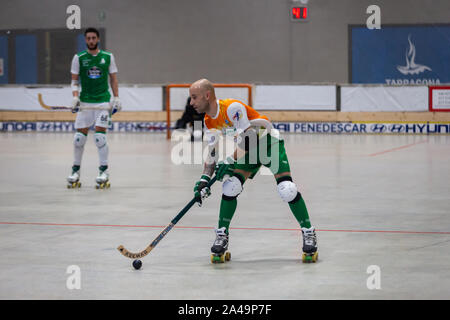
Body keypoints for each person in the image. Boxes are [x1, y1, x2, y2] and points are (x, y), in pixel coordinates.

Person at [190, 79, 318, 263]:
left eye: (194, 97)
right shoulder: (209, 121)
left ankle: (309, 232)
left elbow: (250, 137)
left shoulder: (231, 108)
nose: (191, 103)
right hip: (247, 150)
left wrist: (230, 160)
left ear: (207, 95)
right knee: (230, 187)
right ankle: (222, 235)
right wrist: (203, 180)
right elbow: (212, 153)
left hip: (268, 144)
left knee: (287, 189)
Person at [66, 27, 121, 189]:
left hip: (103, 102)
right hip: (85, 103)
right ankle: (75, 171)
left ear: (98, 39)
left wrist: (116, 97)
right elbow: (74, 81)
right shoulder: (79, 58)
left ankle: (104, 171)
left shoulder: (108, 57)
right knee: (78, 139)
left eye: (93, 38)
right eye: (88, 38)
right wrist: (75, 96)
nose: (91, 41)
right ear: (85, 40)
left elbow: (113, 79)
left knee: (100, 138)